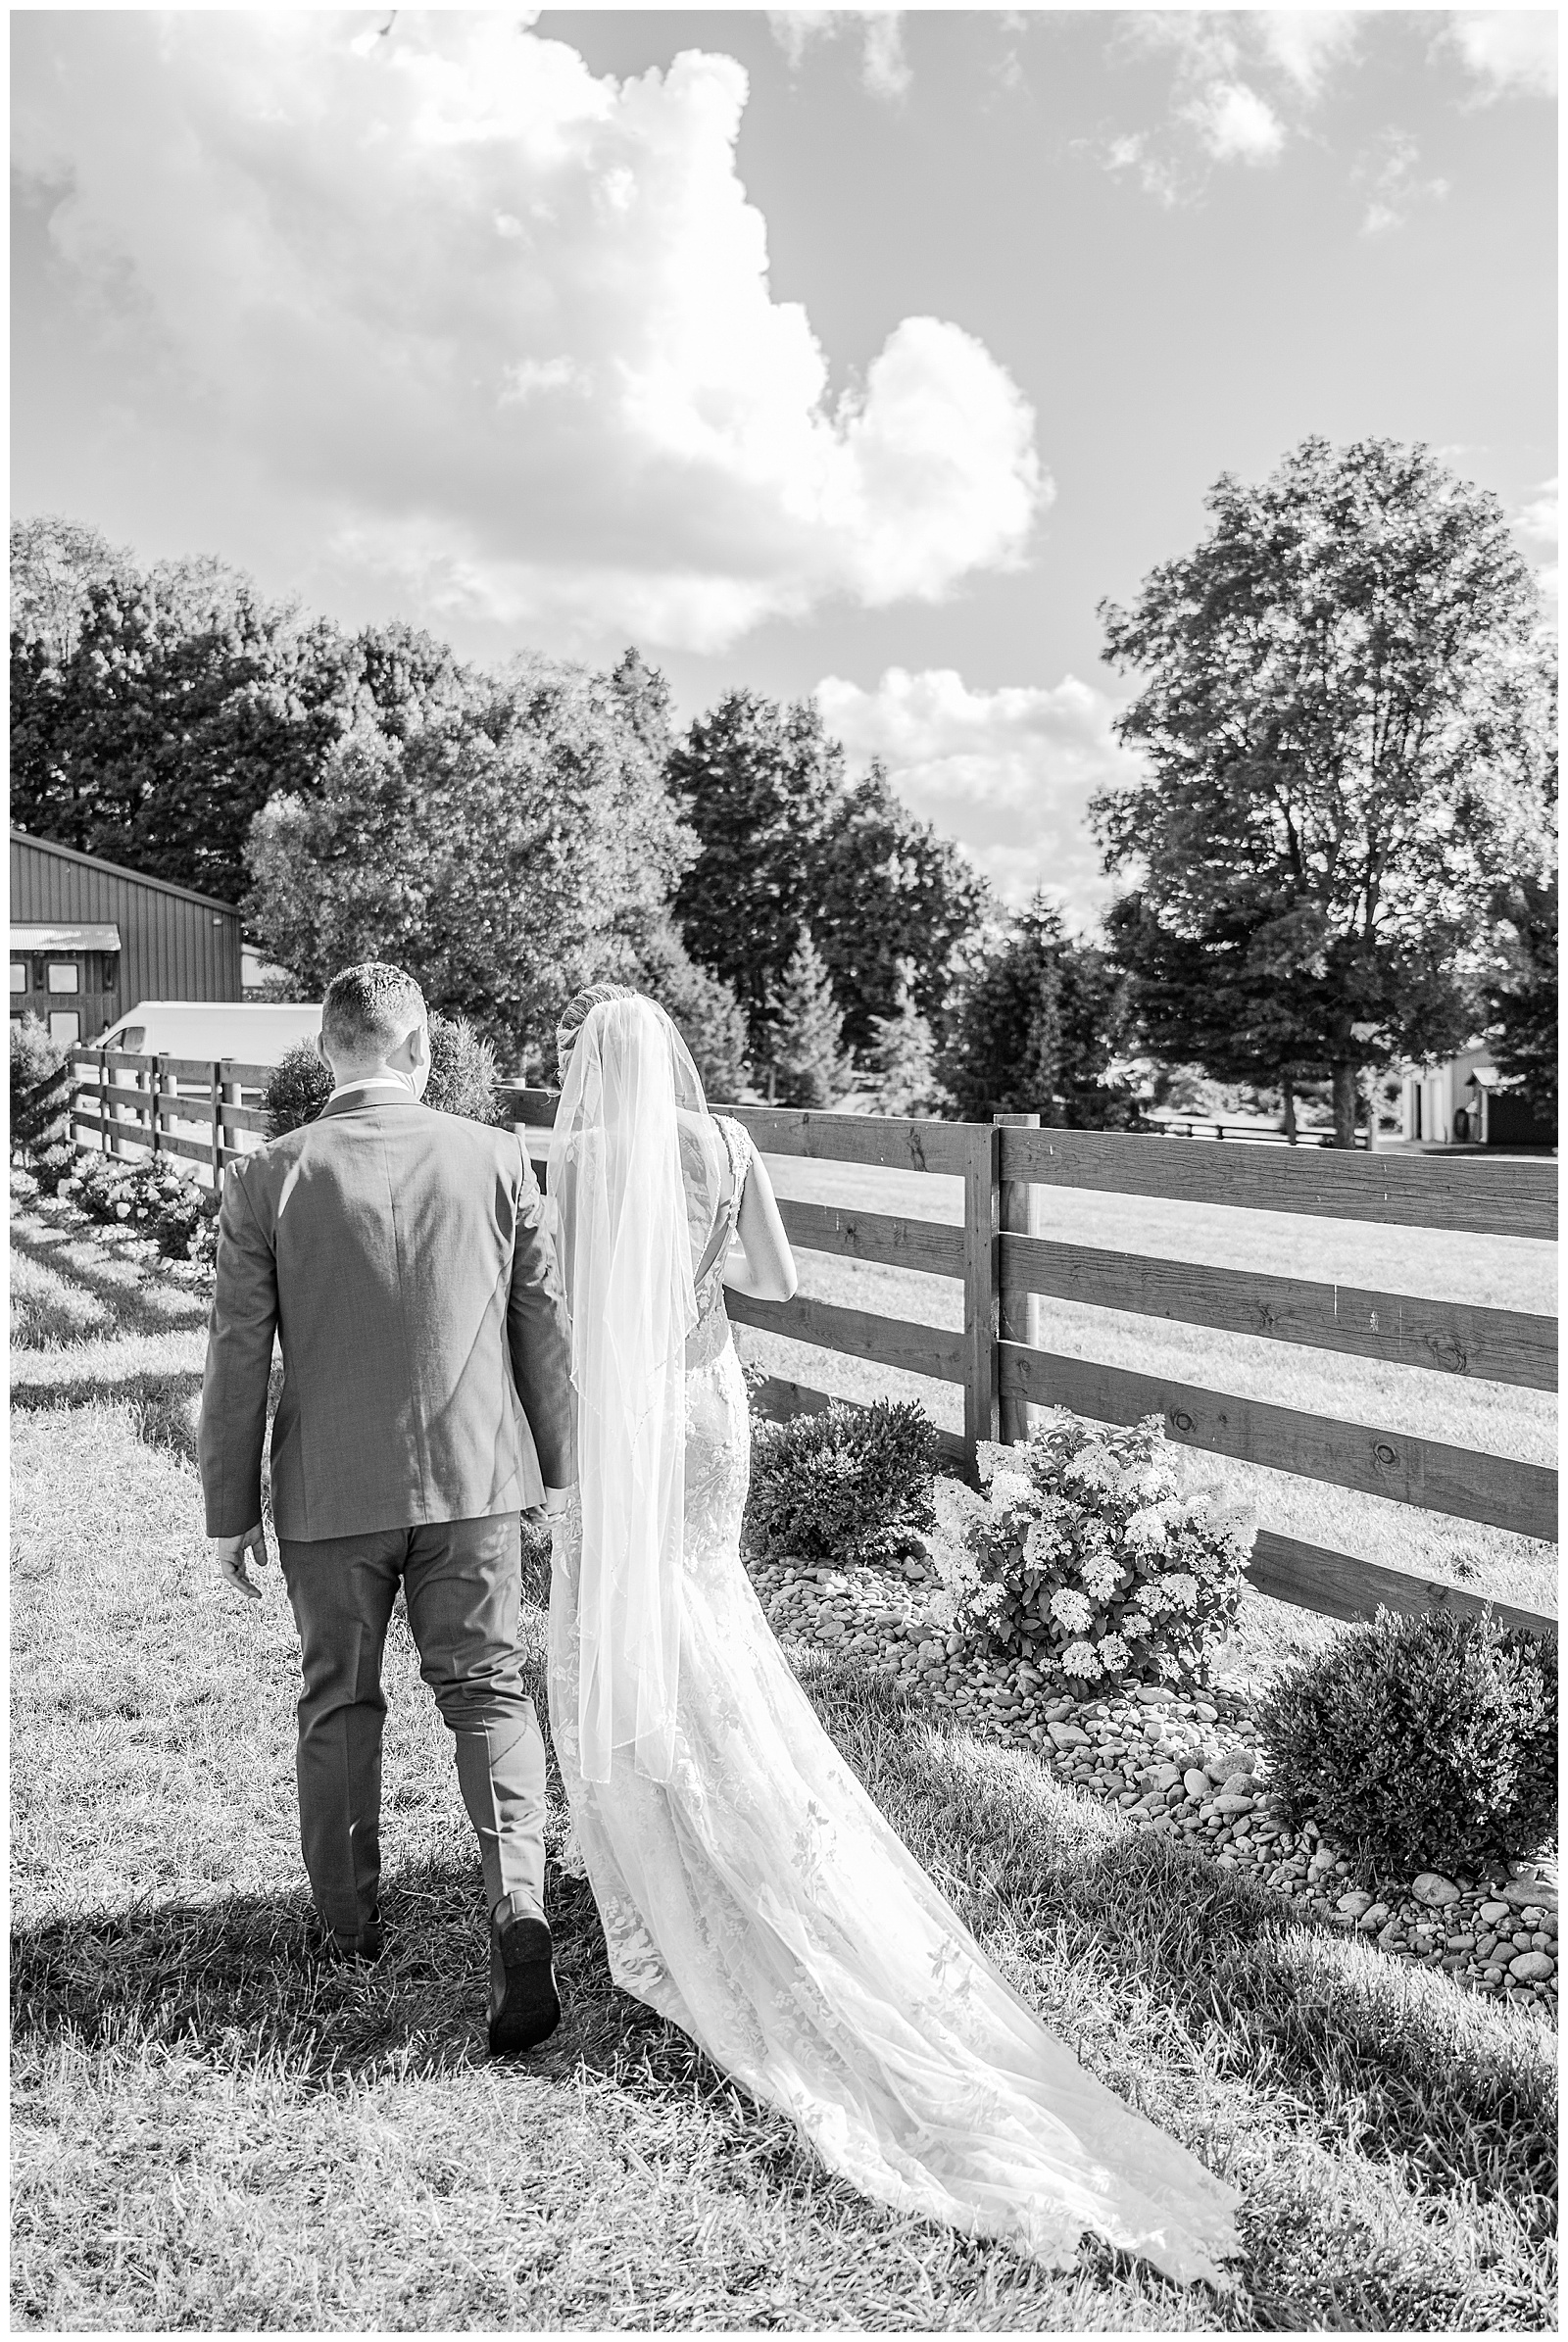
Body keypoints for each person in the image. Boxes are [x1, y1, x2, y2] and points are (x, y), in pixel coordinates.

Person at [545, 984, 1243, 2288]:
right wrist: (697, 1274)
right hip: (705, 1402)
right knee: (709, 1599)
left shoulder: (572, 1163)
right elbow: (779, 1278)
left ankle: (653, 1825)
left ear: (588, 1073)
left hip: (617, 1411)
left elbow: (559, 1294)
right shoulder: (729, 1147)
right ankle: (736, 1801)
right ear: (677, 1063)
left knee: (618, 1609)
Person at [199, 961, 574, 2055]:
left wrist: (230, 1508)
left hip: (329, 1493)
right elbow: (541, 1327)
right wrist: (561, 1473)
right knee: (490, 1692)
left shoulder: (267, 1176)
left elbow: (236, 1359)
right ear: (419, 1048)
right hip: (474, 1486)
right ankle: (518, 1904)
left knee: (337, 1697)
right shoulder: (497, 1157)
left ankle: (347, 1918)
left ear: (330, 1053)